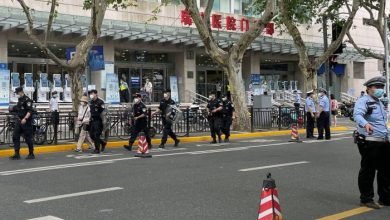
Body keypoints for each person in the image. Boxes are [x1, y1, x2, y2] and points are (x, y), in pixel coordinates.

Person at [353, 76, 390, 209]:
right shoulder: (364, 101)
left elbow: (382, 124)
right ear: (368, 89)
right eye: (377, 87)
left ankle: (385, 198)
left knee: (385, 171)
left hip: (383, 141)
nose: (380, 89)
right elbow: (357, 115)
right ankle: (366, 199)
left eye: (381, 87)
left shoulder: (379, 102)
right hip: (370, 141)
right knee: (368, 170)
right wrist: (366, 124)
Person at [10, 87, 35, 160]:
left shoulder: (28, 100)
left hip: (26, 122)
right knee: (15, 136)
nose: (17, 94)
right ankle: (17, 154)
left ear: (21, 92)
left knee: (28, 138)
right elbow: (17, 108)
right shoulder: (20, 100)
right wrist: (11, 109)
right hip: (19, 121)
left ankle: (31, 153)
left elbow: (30, 111)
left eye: (17, 93)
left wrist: (25, 118)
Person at [88, 89, 106, 154]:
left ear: (96, 94)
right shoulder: (91, 102)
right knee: (91, 135)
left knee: (96, 135)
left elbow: (103, 112)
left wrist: (104, 122)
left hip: (98, 121)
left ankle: (97, 149)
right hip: (92, 121)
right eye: (90, 94)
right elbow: (90, 112)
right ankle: (102, 143)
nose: (91, 95)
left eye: (92, 93)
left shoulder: (100, 102)